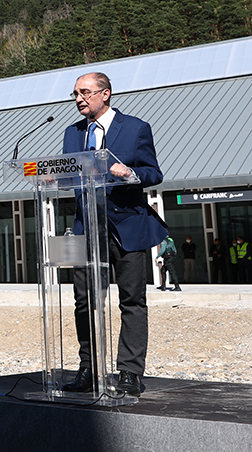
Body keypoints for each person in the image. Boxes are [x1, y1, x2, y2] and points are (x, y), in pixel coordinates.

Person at [60, 72, 168, 398]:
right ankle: (89, 368)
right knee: (84, 302)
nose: (79, 98)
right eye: (75, 93)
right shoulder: (72, 132)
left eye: (85, 92)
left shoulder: (135, 128)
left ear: (105, 94)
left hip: (126, 228)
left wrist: (131, 173)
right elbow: (64, 175)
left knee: (131, 301)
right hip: (86, 228)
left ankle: (130, 373)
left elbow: (154, 173)